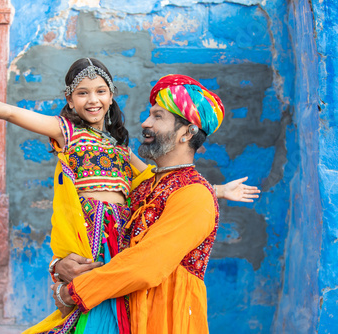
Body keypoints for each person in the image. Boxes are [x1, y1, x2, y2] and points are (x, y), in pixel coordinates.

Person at [0, 61, 259, 334]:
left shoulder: (122, 148)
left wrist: (216, 190)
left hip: (128, 259)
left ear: (112, 95)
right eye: (82, 92)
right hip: (93, 237)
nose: (92, 99)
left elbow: (166, 187)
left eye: (100, 91)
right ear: (69, 98)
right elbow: (9, 112)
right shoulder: (67, 131)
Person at [52, 74, 231, 334]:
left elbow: (146, 266)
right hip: (120, 317)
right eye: (149, 114)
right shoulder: (144, 187)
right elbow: (102, 237)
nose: (145, 122)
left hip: (164, 322)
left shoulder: (195, 195)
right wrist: (58, 265)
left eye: (158, 117)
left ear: (187, 132)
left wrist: (70, 293)